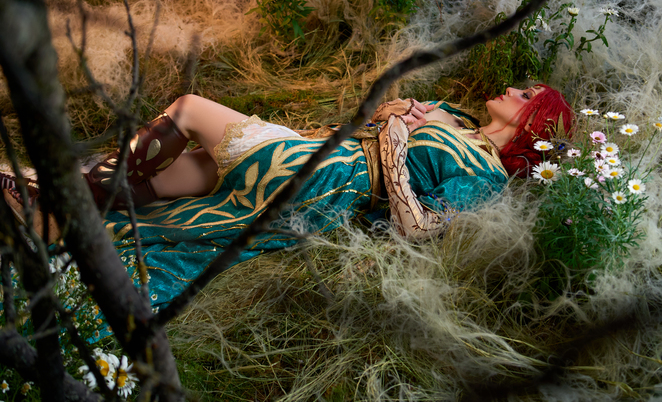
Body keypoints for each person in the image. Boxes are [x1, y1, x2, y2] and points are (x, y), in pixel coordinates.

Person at [2, 84, 573, 307]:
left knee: (190, 110)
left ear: (534, 124)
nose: (511, 89)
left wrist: (395, 146)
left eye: (526, 94)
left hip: (330, 182)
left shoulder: (486, 176)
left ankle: (61, 202)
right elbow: (381, 121)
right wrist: (393, 114)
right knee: (173, 182)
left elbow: (417, 227)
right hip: (321, 147)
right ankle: (57, 215)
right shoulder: (458, 118)